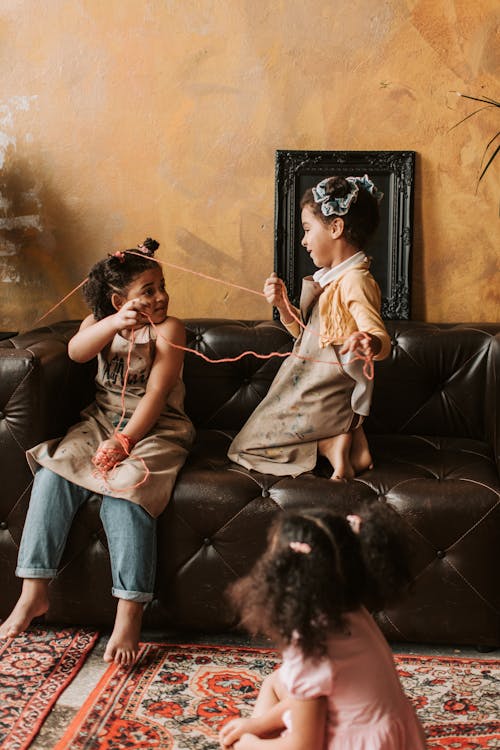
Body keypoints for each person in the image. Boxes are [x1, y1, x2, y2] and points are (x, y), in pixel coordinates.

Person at [0, 238, 195, 666]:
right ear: (117, 300)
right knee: (54, 471)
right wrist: (112, 323)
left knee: (127, 488)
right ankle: (33, 591)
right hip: (99, 421)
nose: (160, 296)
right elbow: (76, 351)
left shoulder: (170, 329)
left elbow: (158, 393)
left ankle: (130, 612)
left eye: (161, 285)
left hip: (155, 428)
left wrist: (125, 442)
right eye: (148, 290)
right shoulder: (98, 322)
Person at [219, 502, 427, 750]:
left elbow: (305, 746)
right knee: (276, 682)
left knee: (245, 744)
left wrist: (249, 744)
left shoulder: (309, 643)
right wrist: (259, 725)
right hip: (393, 738)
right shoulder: (349, 607)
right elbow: (309, 696)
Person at [228, 175, 391, 480]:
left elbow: (379, 335)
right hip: (308, 382)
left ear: (335, 228)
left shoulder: (355, 280)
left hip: (325, 390)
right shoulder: (330, 278)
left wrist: (370, 342)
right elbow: (305, 336)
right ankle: (350, 441)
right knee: (251, 438)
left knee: (245, 447)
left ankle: (331, 442)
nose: (303, 240)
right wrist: (282, 305)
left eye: (307, 229)